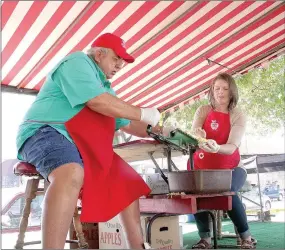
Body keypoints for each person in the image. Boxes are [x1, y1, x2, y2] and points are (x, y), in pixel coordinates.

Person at [16, 33, 166, 249]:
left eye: (122, 62)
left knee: (127, 181)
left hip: (78, 143)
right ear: (98, 54)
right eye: (116, 59)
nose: (120, 66)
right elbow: (97, 102)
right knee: (71, 172)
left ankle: (138, 247)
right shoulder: (77, 62)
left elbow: (129, 123)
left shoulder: (104, 87)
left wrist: (161, 130)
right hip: (43, 132)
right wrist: (143, 112)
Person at [189, 73, 255, 249]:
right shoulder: (202, 110)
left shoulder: (237, 114)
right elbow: (194, 133)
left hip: (232, 168)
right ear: (212, 90)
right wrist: (199, 136)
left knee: (228, 192)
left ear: (232, 91)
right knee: (195, 191)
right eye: (216, 88)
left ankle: (246, 237)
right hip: (202, 167)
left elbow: (232, 146)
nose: (220, 92)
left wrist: (217, 148)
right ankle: (205, 239)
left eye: (225, 88)